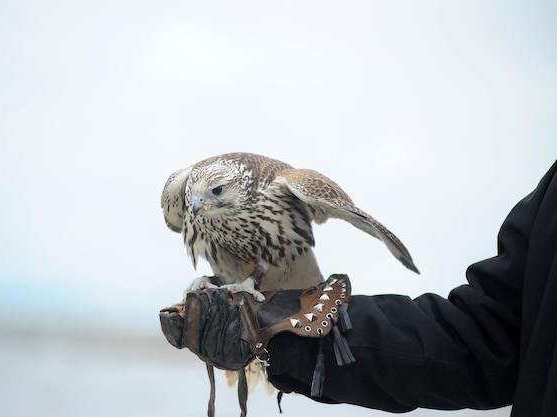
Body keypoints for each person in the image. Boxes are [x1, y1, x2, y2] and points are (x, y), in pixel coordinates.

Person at [160, 160, 557, 417]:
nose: (195, 205)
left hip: (279, 266)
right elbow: (484, 339)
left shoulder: (280, 187)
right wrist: (293, 336)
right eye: (194, 199)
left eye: (212, 195)